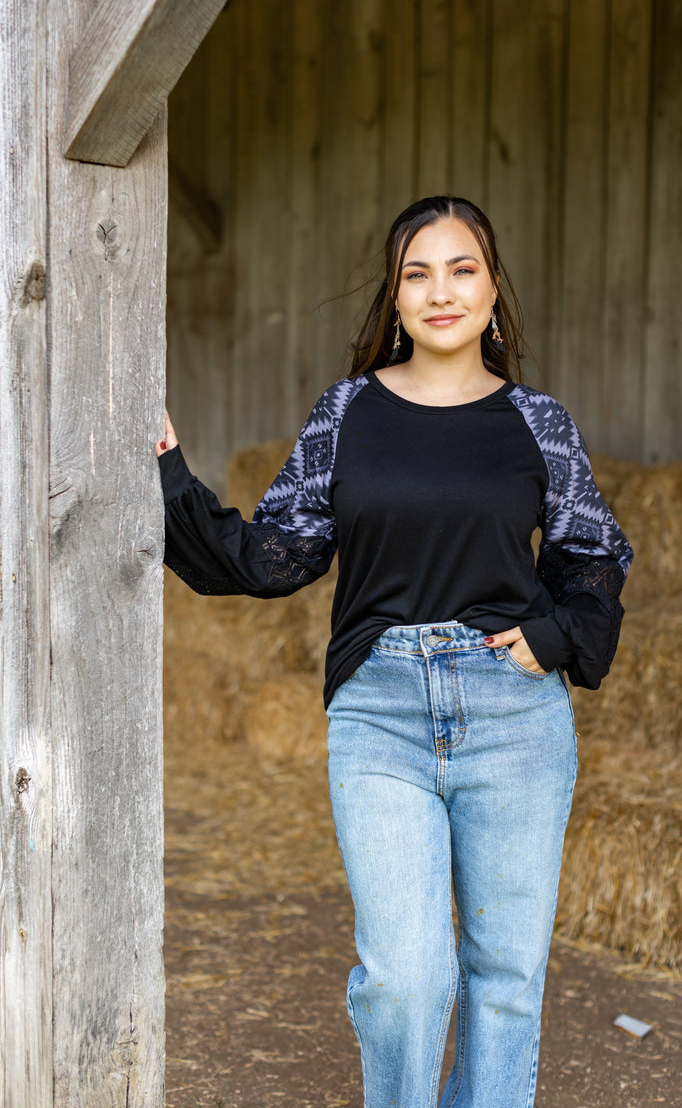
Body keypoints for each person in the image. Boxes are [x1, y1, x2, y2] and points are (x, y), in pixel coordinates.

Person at [156, 195, 633, 1108]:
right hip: (381, 712)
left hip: (513, 717)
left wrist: (555, 636)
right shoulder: (348, 413)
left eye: (462, 269)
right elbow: (271, 556)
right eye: (419, 272)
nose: (441, 290)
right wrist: (170, 475)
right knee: (407, 981)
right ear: (396, 295)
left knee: (503, 982)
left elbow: (594, 551)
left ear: (494, 293)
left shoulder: (538, 422)